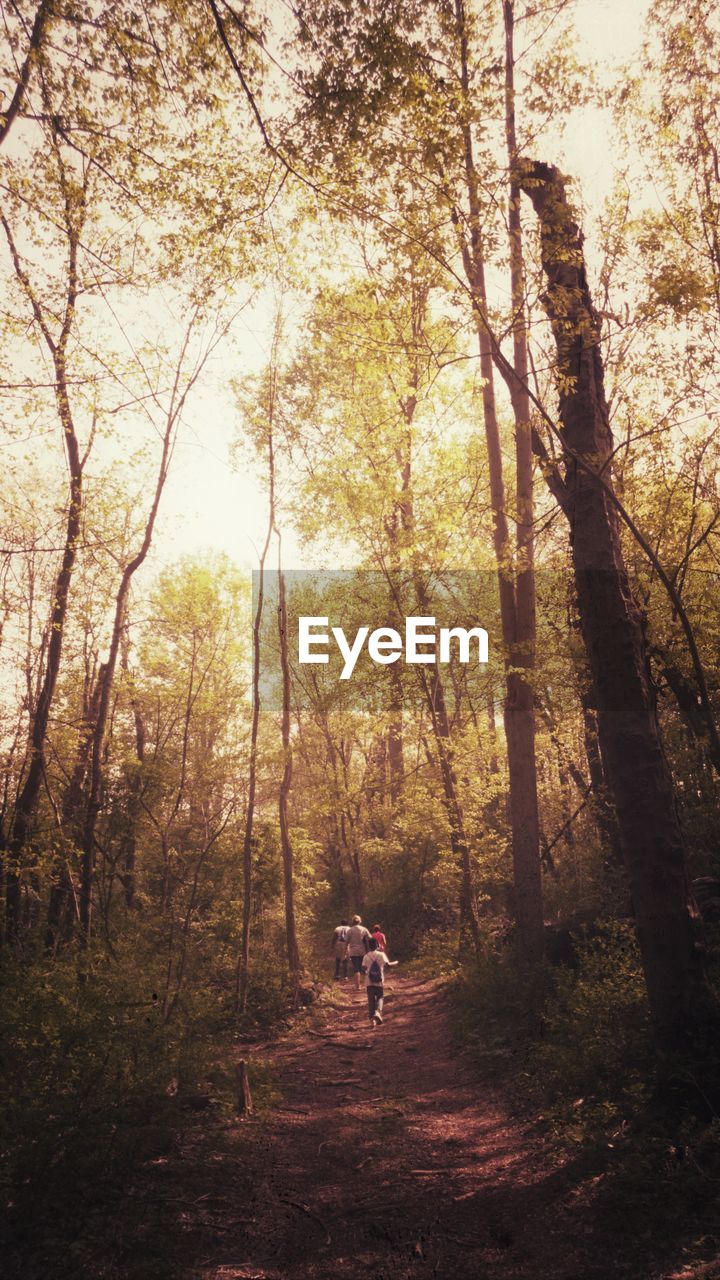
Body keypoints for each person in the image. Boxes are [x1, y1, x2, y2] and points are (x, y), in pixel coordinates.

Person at [361, 937, 398, 1025]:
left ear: (369, 946)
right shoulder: (381, 954)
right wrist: (395, 962)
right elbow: (388, 965)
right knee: (380, 997)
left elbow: (363, 967)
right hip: (379, 980)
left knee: (371, 1000)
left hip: (369, 981)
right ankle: (378, 1012)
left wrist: (367, 972)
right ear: (377, 945)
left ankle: (372, 1020)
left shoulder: (366, 956)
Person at [345, 914, 371, 989]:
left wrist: (345, 952)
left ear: (353, 921)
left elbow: (346, 942)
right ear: (360, 921)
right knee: (364, 968)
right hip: (362, 951)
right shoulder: (364, 929)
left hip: (353, 952)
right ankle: (368, 984)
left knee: (356, 969)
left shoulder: (350, 930)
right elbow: (370, 938)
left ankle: (357, 986)